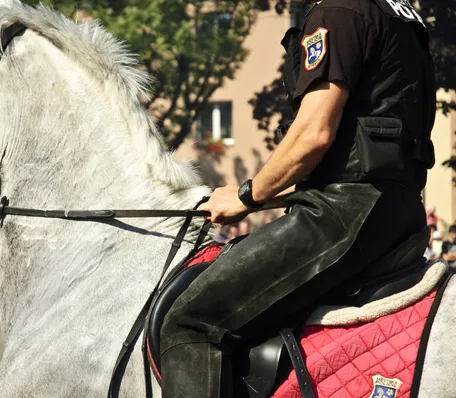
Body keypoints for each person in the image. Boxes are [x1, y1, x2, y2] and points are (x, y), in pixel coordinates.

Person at [160, 1, 436, 396]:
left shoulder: (338, 12)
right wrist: (273, 195)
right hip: (399, 214)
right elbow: (359, 151)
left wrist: (245, 197)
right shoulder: (401, 15)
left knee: (190, 320)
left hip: (344, 216)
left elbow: (314, 135)